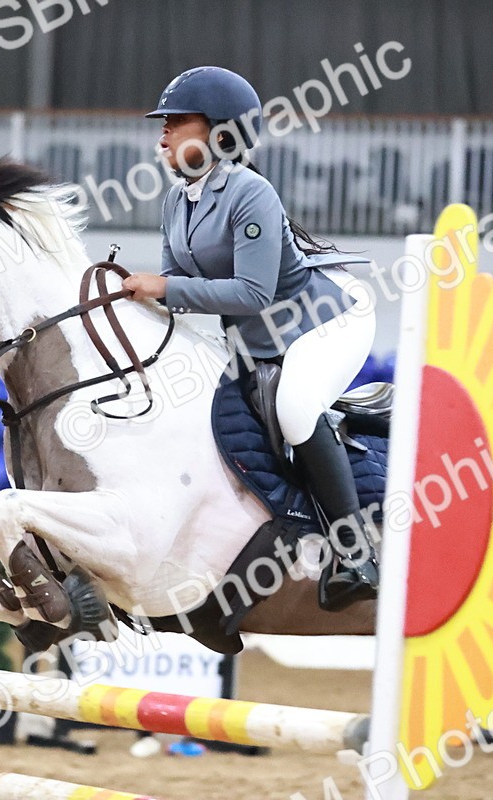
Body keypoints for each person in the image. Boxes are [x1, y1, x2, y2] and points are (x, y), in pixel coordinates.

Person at [122, 66, 379, 611]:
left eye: (175, 122)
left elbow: (252, 292)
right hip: (257, 340)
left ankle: (355, 553)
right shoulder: (177, 202)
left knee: (296, 408)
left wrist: (162, 287)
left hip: (326, 321)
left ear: (219, 132)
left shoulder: (250, 191)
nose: (162, 134)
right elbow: (185, 296)